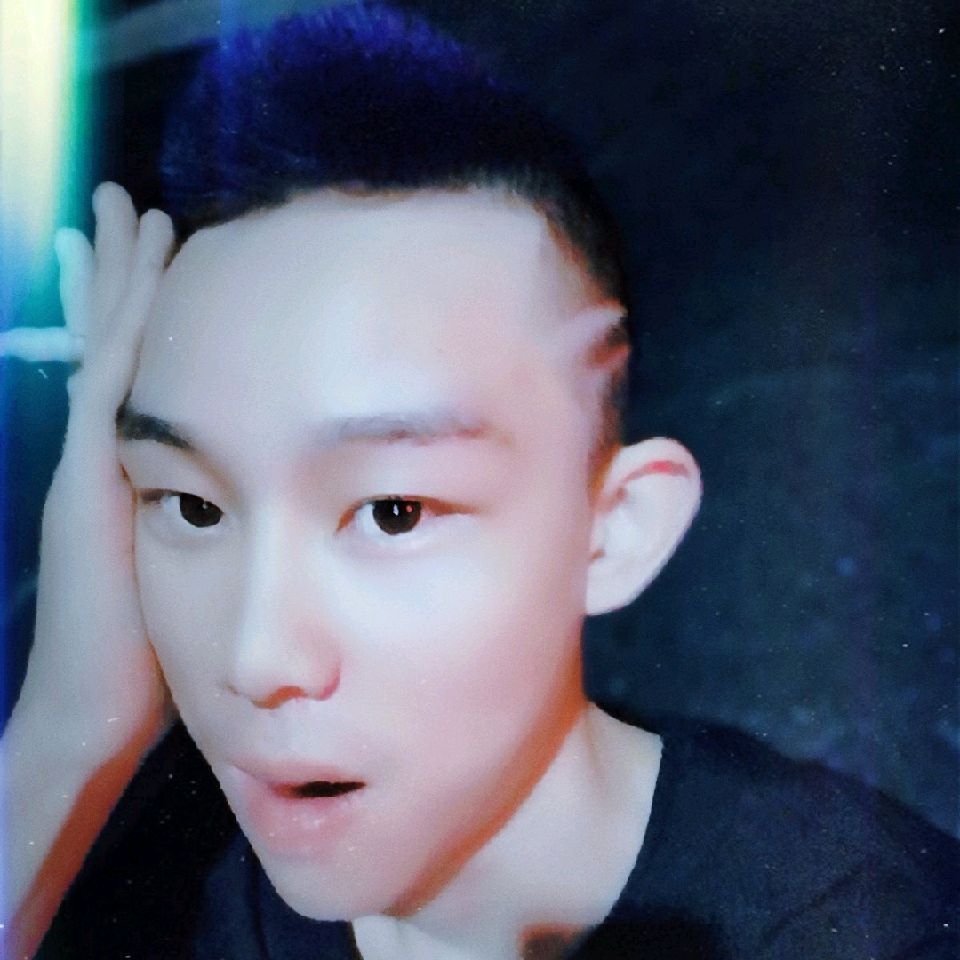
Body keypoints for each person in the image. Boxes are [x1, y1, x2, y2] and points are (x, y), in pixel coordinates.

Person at [2, 4, 957, 959]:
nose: (257, 660)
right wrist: (67, 729)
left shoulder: (859, 928)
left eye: (393, 512)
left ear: (615, 527)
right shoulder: (138, 860)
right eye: (193, 506)